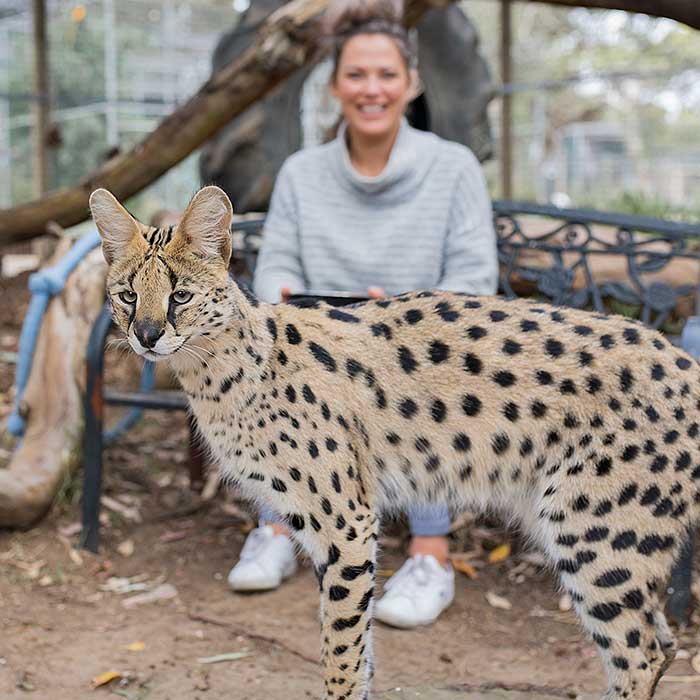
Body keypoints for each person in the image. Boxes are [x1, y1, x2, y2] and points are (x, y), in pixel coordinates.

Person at [227, 0, 498, 629]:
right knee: (268, 360)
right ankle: (279, 527)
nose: (371, 89)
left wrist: (400, 319)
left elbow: (473, 278)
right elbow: (275, 265)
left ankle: (430, 555)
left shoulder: (453, 168)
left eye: (385, 75)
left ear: (412, 83)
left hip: (415, 347)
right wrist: (290, 300)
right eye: (356, 75)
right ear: (333, 86)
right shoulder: (301, 173)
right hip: (315, 346)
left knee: (430, 378)